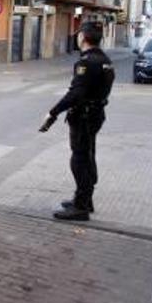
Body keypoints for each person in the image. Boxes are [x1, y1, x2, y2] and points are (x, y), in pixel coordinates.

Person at [39, 22, 115, 221]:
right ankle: (85, 200)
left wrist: (52, 112)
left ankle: (80, 207)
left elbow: (76, 93)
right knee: (88, 156)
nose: (77, 37)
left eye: (78, 34)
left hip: (84, 116)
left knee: (80, 159)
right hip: (96, 113)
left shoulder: (86, 62)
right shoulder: (104, 59)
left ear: (83, 37)